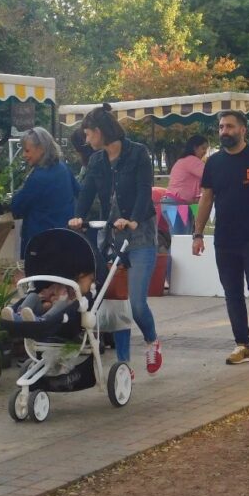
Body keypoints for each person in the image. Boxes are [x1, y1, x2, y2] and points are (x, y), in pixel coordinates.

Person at [69, 104, 162, 375]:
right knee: (116, 301)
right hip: (110, 236)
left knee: (136, 303)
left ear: (99, 132)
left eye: (88, 134)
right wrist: (77, 217)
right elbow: (86, 193)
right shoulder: (97, 161)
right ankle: (124, 364)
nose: (86, 140)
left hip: (140, 233)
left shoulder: (138, 153)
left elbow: (146, 189)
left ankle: (151, 339)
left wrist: (133, 218)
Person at [192, 110, 249, 365]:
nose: (224, 131)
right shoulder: (213, 163)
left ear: (243, 130)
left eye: (230, 127)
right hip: (224, 239)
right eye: (221, 127)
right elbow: (206, 198)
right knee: (232, 292)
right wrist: (198, 233)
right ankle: (243, 345)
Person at [10, 127, 79, 259]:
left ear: (41, 148)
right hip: (65, 237)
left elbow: (16, 207)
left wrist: (19, 191)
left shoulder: (38, 177)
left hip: (40, 242)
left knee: (40, 279)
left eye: (27, 150)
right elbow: (79, 192)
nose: (24, 155)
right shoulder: (63, 168)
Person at [165, 135, 209, 204]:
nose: (205, 152)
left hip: (170, 202)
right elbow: (211, 175)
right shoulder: (192, 160)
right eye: (203, 148)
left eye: (206, 149)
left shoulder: (182, 160)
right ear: (195, 148)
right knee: (200, 214)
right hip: (179, 203)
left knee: (198, 213)